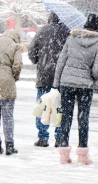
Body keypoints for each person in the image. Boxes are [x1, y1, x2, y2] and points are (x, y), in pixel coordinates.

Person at [53, 13, 98, 164]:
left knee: (66, 117)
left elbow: (61, 61)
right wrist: (93, 78)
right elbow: (97, 70)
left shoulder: (71, 38)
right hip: (85, 86)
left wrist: (56, 82)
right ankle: (82, 155)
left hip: (67, 83)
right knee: (83, 118)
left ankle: (64, 153)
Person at [28, 12, 70, 147]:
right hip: (61, 76)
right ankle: (59, 137)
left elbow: (31, 51)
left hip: (44, 75)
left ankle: (43, 137)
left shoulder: (42, 31)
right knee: (60, 107)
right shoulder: (67, 32)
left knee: (42, 105)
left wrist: (38, 60)